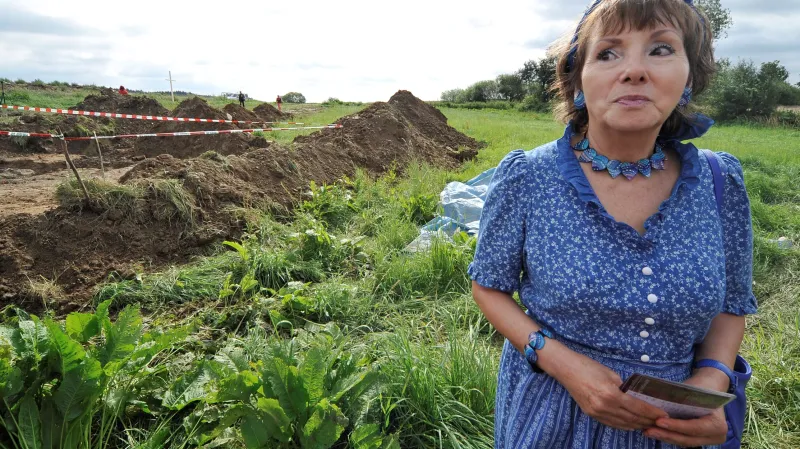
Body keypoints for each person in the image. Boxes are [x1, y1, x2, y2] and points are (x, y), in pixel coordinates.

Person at [467, 0, 757, 448]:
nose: (634, 71)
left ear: (689, 77)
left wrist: (712, 381)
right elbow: (488, 287)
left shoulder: (720, 182)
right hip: (553, 412)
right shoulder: (528, 177)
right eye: (608, 53)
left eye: (660, 49)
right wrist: (565, 365)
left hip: (674, 426)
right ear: (577, 81)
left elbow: (732, 304)